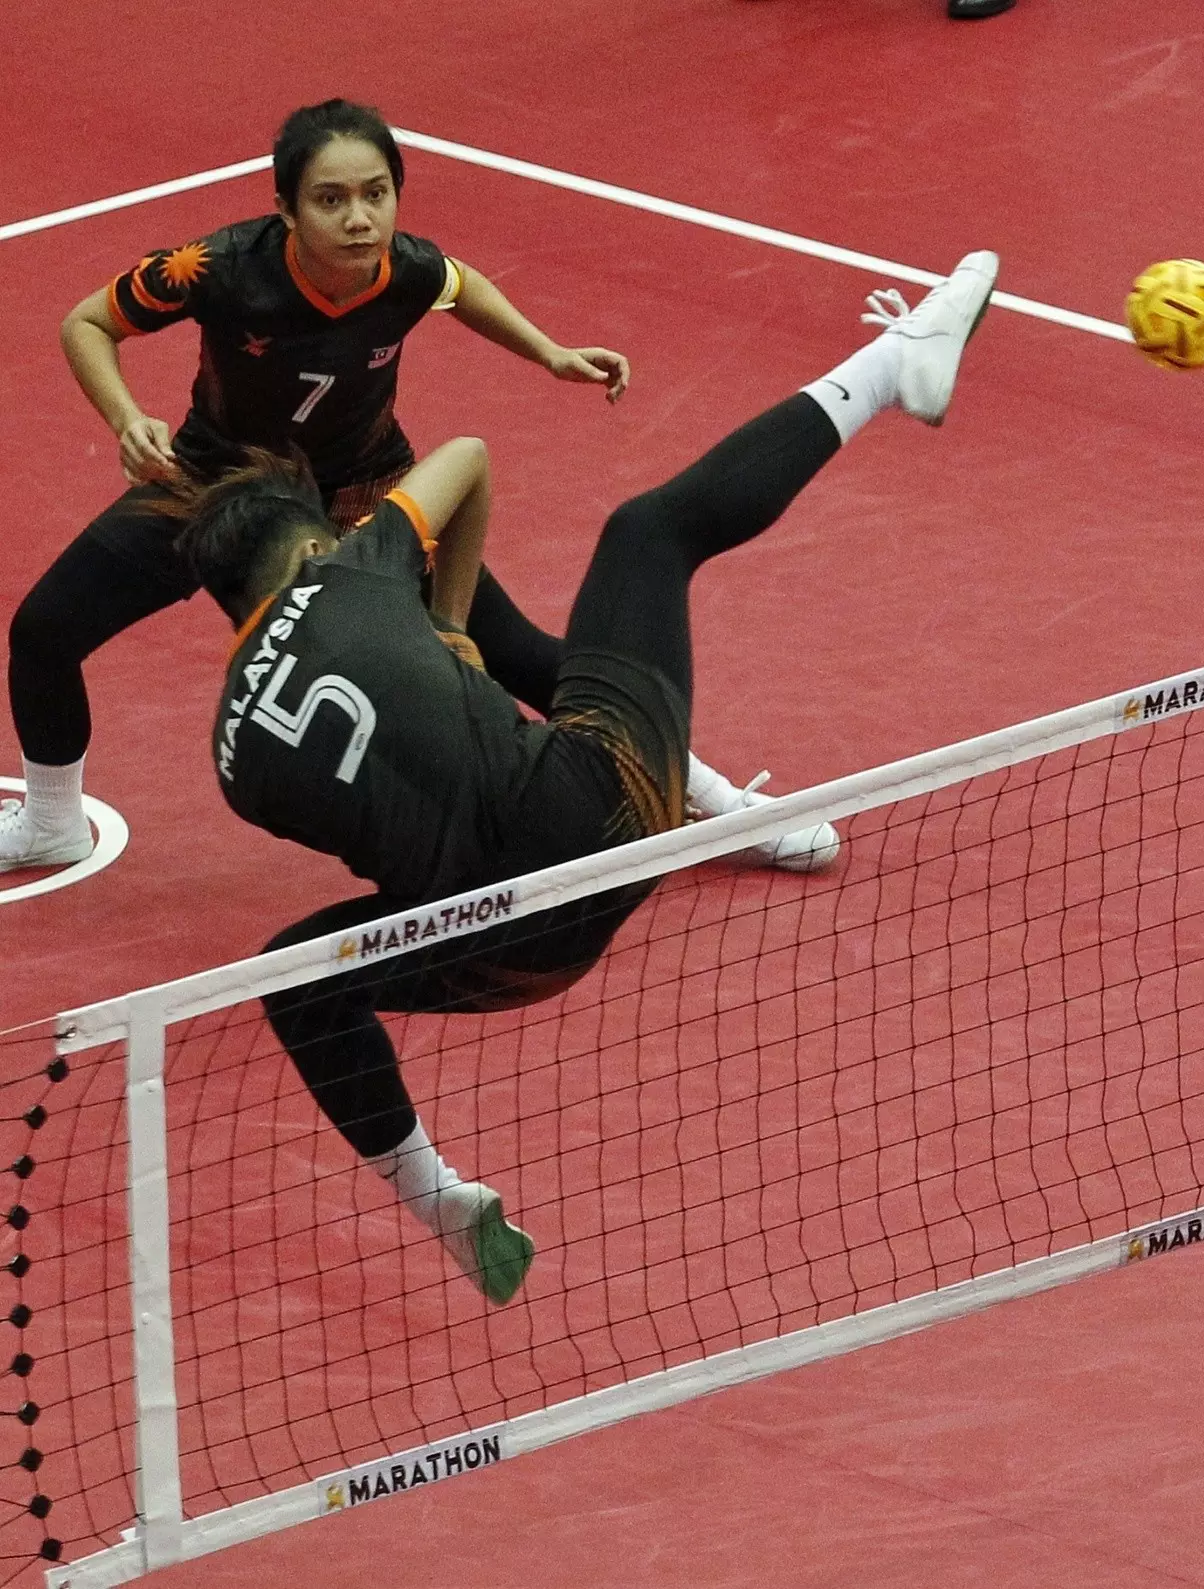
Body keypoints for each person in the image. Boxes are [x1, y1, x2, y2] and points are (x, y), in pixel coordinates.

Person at [162, 251, 998, 1305]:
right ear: (311, 542)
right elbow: (464, 455)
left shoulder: (232, 758)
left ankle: (441, 1202)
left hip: (518, 943)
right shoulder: (350, 566)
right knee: (649, 534)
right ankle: (894, 362)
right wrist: (453, 633)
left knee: (297, 975)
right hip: (601, 808)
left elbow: (384, 799)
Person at [4, 98, 836, 875]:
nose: (359, 218)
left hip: (367, 490)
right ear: (287, 211)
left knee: (513, 652)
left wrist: (547, 351)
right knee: (44, 631)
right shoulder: (214, 268)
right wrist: (124, 419)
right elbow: (88, 321)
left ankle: (716, 804)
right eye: (330, 200)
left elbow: (460, 285)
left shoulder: (403, 269)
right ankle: (52, 821)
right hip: (216, 481)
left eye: (377, 194)